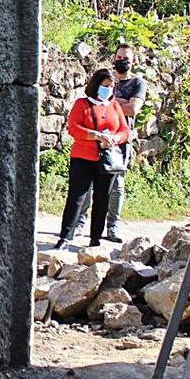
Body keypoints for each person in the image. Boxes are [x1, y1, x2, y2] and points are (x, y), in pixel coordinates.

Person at [72, 44, 147, 243]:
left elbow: (133, 109)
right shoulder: (106, 78)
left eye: (126, 58)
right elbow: (90, 100)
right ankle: (81, 222)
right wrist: (119, 102)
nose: (121, 61)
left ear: (134, 61)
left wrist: (114, 103)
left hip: (119, 141)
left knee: (117, 186)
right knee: (87, 184)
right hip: (95, 142)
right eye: (119, 57)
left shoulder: (138, 83)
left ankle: (112, 226)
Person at [55, 68, 130, 249]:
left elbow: (125, 131)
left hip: (107, 159)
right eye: (106, 86)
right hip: (83, 157)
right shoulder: (82, 104)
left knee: (102, 199)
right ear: (96, 85)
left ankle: (95, 238)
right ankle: (65, 237)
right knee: (76, 198)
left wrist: (115, 139)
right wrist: (95, 136)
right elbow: (73, 128)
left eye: (112, 87)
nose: (109, 90)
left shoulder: (114, 106)